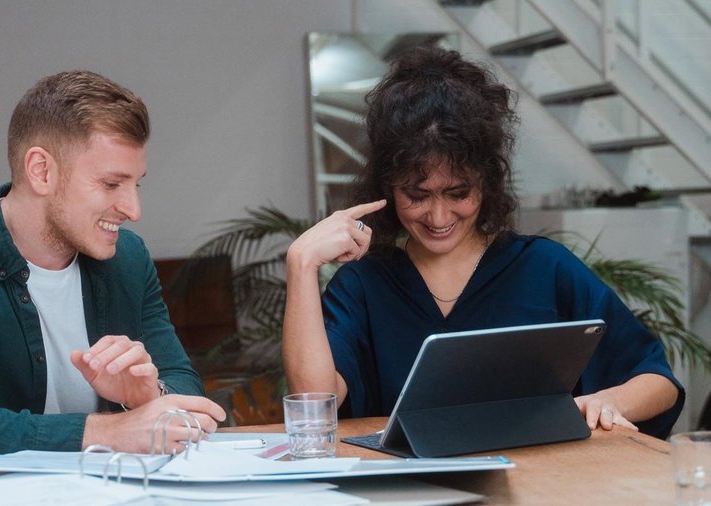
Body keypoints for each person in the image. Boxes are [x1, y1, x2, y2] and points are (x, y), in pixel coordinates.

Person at [282, 46, 684, 438]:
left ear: (487, 182)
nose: (439, 218)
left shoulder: (545, 268)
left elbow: (658, 382)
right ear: (387, 186)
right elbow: (316, 404)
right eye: (417, 196)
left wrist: (610, 400)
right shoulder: (364, 285)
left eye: (458, 193)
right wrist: (301, 263)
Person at [0, 70, 226, 471]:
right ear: (41, 171)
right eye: (111, 184)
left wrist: (146, 396)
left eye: (136, 185)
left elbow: (183, 386)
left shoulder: (128, 259)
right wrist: (105, 432)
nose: (134, 210)